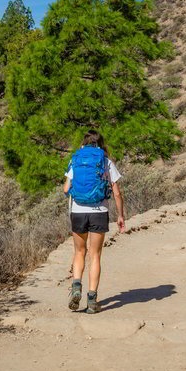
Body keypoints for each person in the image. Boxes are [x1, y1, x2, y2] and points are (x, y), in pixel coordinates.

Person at [63, 130, 125, 314]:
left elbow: (66, 188)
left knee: (79, 252)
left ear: (84, 142)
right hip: (99, 211)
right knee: (95, 255)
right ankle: (92, 300)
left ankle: (76, 287)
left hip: (78, 211)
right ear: (101, 143)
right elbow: (117, 193)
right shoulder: (106, 161)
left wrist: (78, 192)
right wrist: (120, 215)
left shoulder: (75, 159)